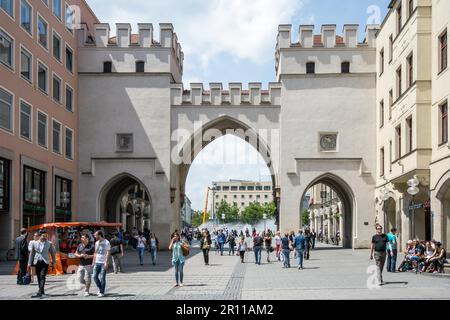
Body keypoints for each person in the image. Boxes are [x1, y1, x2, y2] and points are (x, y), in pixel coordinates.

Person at [28, 229, 56, 298]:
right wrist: (29, 263)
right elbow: (32, 254)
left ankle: (40, 292)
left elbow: (52, 253)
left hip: (45, 261)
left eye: (45, 235)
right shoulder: (34, 243)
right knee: (38, 276)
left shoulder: (49, 243)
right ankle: (42, 290)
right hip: (37, 261)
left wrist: (54, 262)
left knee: (42, 276)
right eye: (43, 235)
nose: (44, 236)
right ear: (39, 236)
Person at [92, 230, 110, 298]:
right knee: (94, 276)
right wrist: (93, 261)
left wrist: (106, 262)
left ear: (99, 235)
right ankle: (101, 289)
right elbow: (95, 252)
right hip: (97, 262)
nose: (94, 236)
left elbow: (108, 253)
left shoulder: (106, 242)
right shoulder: (96, 242)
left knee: (102, 278)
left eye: (95, 235)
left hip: (103, 262)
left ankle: (102, 292)